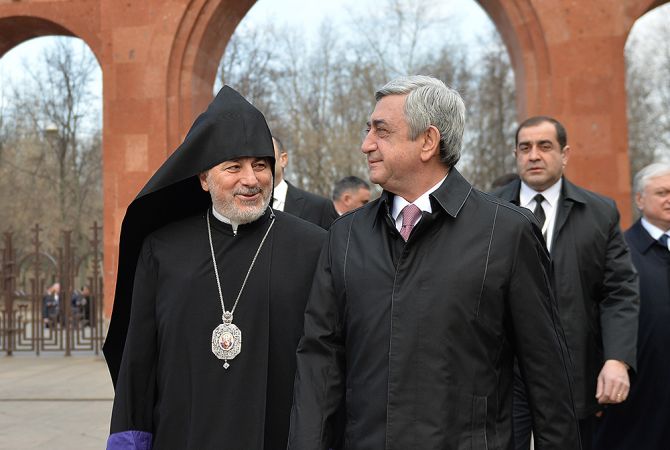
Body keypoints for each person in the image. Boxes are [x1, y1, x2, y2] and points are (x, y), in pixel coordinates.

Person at [288, 75, 580, 449]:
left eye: (381, 131)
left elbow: (548, 377)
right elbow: (320, 363)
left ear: (428, 141)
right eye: (368, 130)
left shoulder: (507, 232)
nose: (366, 145)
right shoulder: (345, 236)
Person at [103, 86, 326, 449]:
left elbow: (327, 360)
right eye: (233, 167)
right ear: (204, 178)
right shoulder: (162, 251)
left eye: (260, 165)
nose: (251, 179)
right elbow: (138, 360)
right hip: (183, 433)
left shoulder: (313, 247)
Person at [493, 116, 639, 450]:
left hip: (573, 370)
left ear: (565, 154)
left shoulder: (600, 213)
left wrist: (617, 359)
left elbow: (619, 291)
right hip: (504, 374)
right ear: (515, 155)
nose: (534, 155)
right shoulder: (489, 210)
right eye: (525, 148)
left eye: (545, 146)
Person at [594, 162, 670, 449]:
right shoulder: (620, 252)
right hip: (637, 397)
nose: (669, 199)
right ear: (639, 199)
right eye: (662, 193)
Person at [271, 135, 338, 229]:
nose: (260, 163)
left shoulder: (319, 208)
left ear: (283, 159)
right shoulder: (248, 205)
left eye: (267, 156)